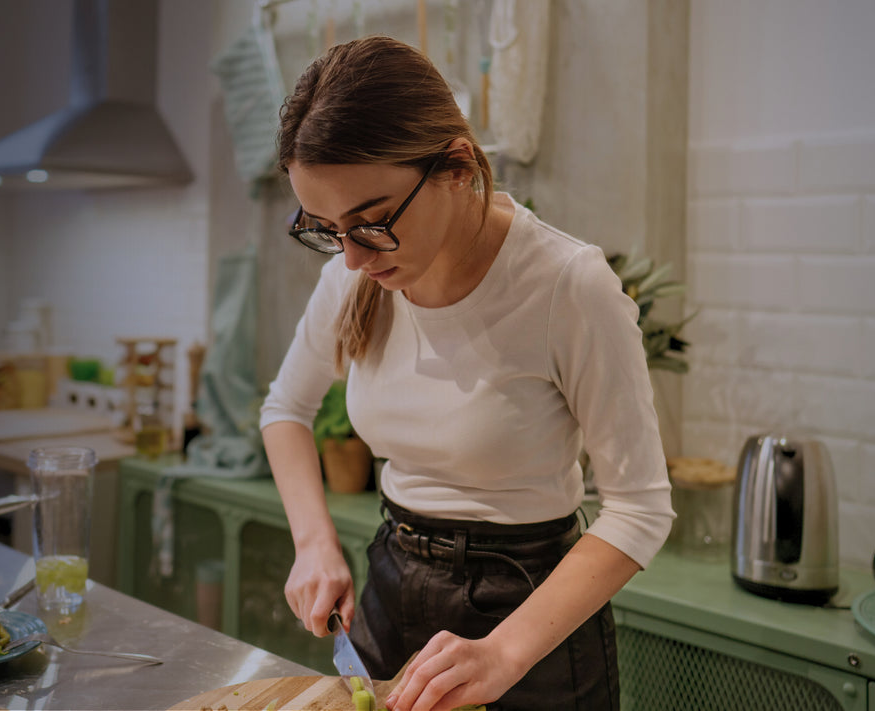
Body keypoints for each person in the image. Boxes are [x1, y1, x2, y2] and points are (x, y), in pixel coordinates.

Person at [257, 36, 675, 711]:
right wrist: (313, 543)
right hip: (390, 585)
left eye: (372, 222)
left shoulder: (568, 285)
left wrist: (503, 653)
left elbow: (639, 508)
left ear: (453, 165)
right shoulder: (354, 273)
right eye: (328, 229)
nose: (354, 261)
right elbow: (285, 409)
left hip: (530, 610)